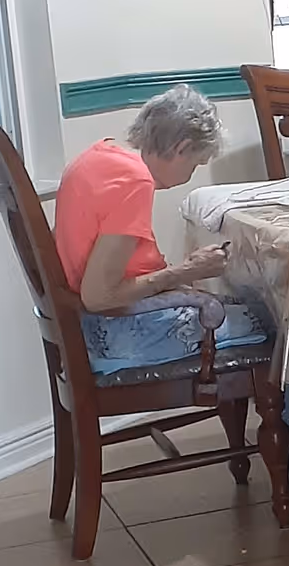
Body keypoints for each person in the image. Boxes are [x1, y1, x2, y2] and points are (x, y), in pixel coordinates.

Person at [53, 85, 263, 374]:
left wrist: (182, 273)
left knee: (240, 306)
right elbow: (99, 296)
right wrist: (186, 271)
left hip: (87, 325)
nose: (191, 175)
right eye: (195, 164)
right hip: (117, 332)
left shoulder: (97, 155)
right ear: (182, 148)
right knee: (270, 319)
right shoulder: (135, 181)